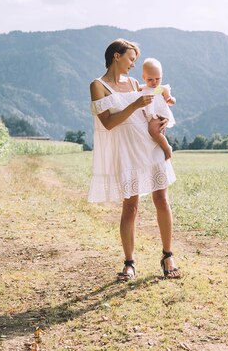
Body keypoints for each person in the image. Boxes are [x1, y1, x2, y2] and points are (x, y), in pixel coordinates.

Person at [88, 38, 182, 281]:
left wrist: (160, 123)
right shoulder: (97, 86)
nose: (133, 64)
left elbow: (153, 100)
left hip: (148, 145)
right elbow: (108, 123)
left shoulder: (132, 83)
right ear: (116, 56)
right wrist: (135, 104)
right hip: (127, 152)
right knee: (130, 206)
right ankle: (129, 263)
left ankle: (167, 255)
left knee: (162, 199)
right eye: (131, 58)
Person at [140, 58, 176, 160]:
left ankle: (166, 147)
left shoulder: (161, 88)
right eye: (150, 79)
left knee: (153, 131)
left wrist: (170, 100)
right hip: (149, 114)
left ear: (161, 76)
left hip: (159, 113)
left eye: (158, 78)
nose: (154, 82)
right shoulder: (142, 88)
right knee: (152, 134)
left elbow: (170, 100)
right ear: (144, 77)